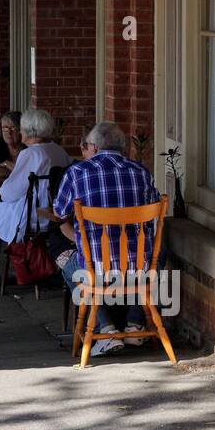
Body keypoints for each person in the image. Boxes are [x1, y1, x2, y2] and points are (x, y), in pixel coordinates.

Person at [51, 121, 161, 357]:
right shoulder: (141, 172)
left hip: (96, 272)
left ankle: (105, 329)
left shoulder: (78, 172)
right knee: (157, 258)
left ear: (94, 146)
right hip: (138, 271)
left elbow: (59, 212)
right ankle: (134, 323)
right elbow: (153, 212)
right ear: (124, 148)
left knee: (67, 264)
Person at [0, 109, 73, 296]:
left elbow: (8, 193)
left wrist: (6, 183)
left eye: (21, 128)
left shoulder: (31, 154)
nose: (20, 133)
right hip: (52, 213)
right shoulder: (58, 151)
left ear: (30, 131)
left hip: (32, 217)